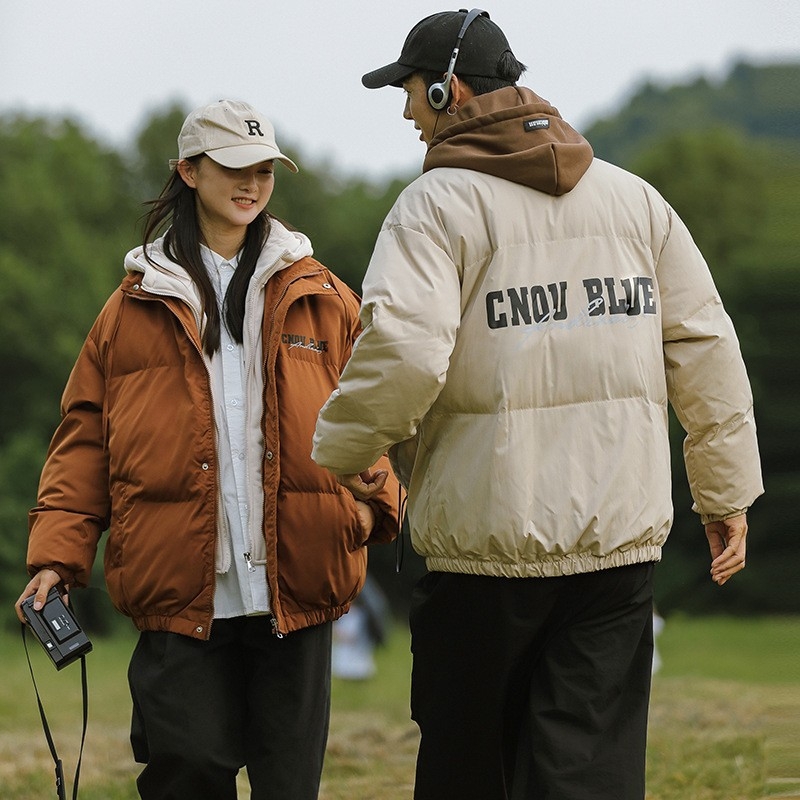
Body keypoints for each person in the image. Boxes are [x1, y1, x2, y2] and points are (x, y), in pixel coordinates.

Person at [311, 10, 763, 800]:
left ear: (449, 90)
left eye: (412, 90)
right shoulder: (636, 202)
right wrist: (725, 493)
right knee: (588, 773)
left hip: (484, 551)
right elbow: (707, 349)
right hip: (619, 549)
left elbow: (407, 354)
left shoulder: (431, 208)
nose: (407, 111)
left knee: (469, 772)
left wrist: (347, 451)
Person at [15, 99, 398, 800]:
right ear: (188, 171)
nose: (250, 183)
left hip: (299, 587)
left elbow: (382, 411)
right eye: (231, 168)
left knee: (290, 788)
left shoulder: (323, 296)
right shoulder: (128, 309)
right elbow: (83, 443)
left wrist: (376, 509)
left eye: (264, 169)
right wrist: (55, 558)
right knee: (183, 774)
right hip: (178, 593)